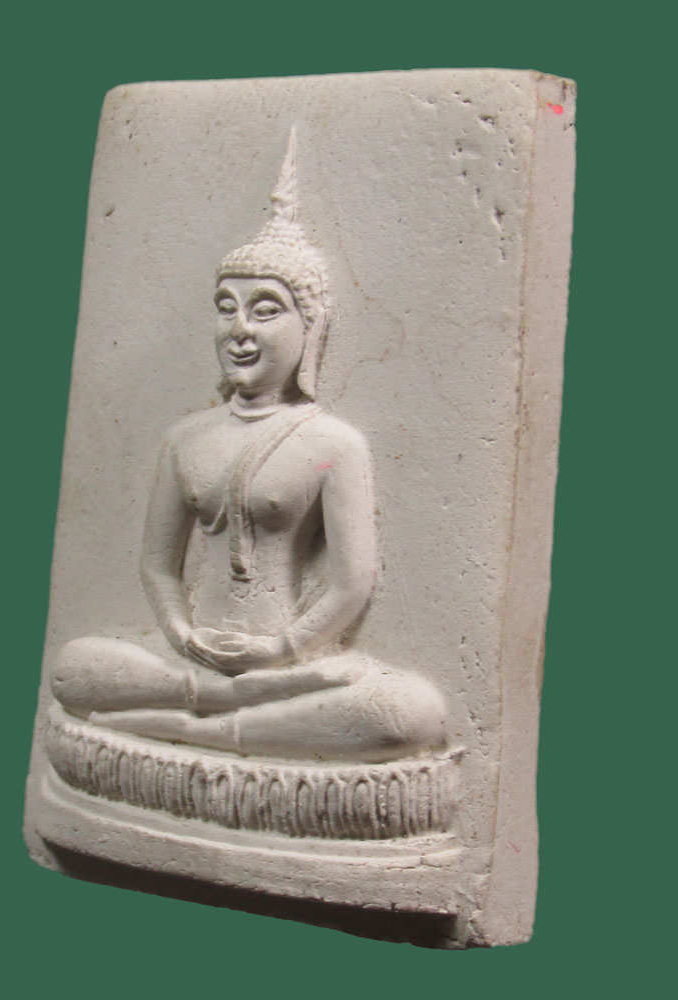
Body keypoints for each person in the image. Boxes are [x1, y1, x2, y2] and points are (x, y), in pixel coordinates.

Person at [51, 130, 446, 763]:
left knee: (409, 712)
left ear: (310, 328)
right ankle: (215, 705)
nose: (239, 331)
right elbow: (158, 563)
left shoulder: (333, 444)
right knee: (73, 667)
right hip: (189, 656)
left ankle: (198, 727)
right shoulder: (186, 438)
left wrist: (281, 650)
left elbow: (352, 581)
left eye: (265, 311)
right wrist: (181, 634)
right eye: (225, 309)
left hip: (286, 661)